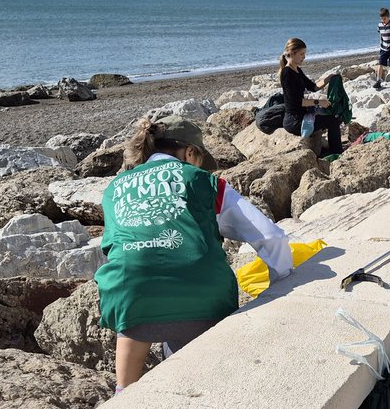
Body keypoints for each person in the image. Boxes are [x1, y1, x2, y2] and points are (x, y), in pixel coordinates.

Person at [96, 116, 293, 391]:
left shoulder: (114, 188)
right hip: (203, 295)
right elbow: (271, 237)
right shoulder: (203, 181)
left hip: (130, 294)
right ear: (190, 152)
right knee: (204, 378)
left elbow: (119, 244)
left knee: (127, 386)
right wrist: (283, 282)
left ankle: (123, 398)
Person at [279, 37, 342, 154]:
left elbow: (313, 87)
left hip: (302, 115)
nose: (304, 57)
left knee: (332, 114)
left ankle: (330, 149)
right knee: (333, 120)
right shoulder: (287, 73)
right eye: (302, 54)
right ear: (292, 53)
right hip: (295, 121)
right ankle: (336, 152)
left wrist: (328, 78)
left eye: (305, 54)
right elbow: (297, 102)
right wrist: (319, 102)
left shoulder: (296, 70)